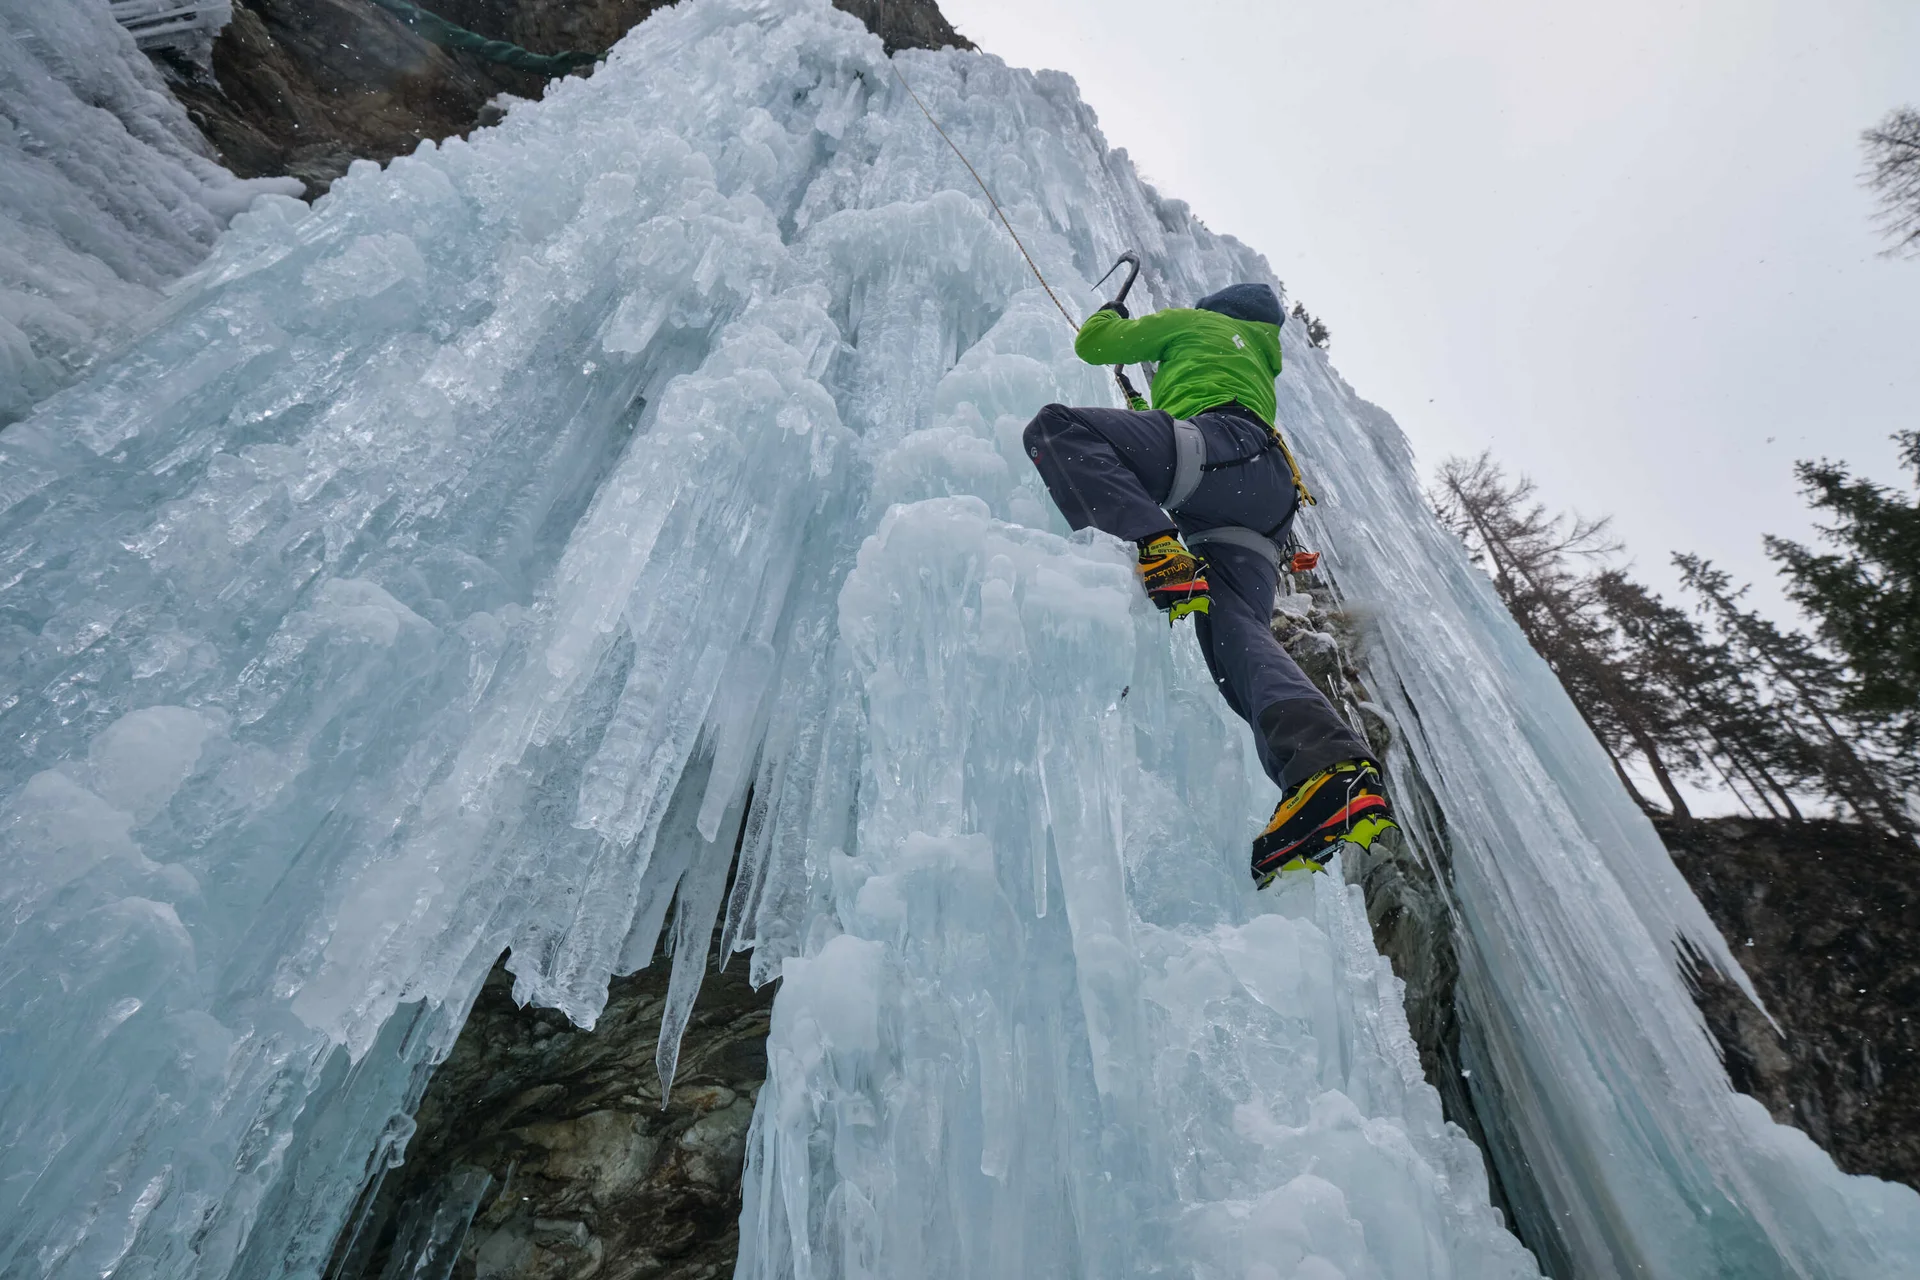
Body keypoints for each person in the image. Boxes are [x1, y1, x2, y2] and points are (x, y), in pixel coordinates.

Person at [1021, 281, 1398, 884]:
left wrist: (1109, 313)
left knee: (1059, 429)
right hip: (1266, 499)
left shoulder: (1196, 323)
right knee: (1236, 634)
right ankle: (1328, 770)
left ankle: (1156, 546)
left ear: (1214, 310)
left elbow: (1095, 345)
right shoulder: (1256, 355)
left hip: (1220, 454)